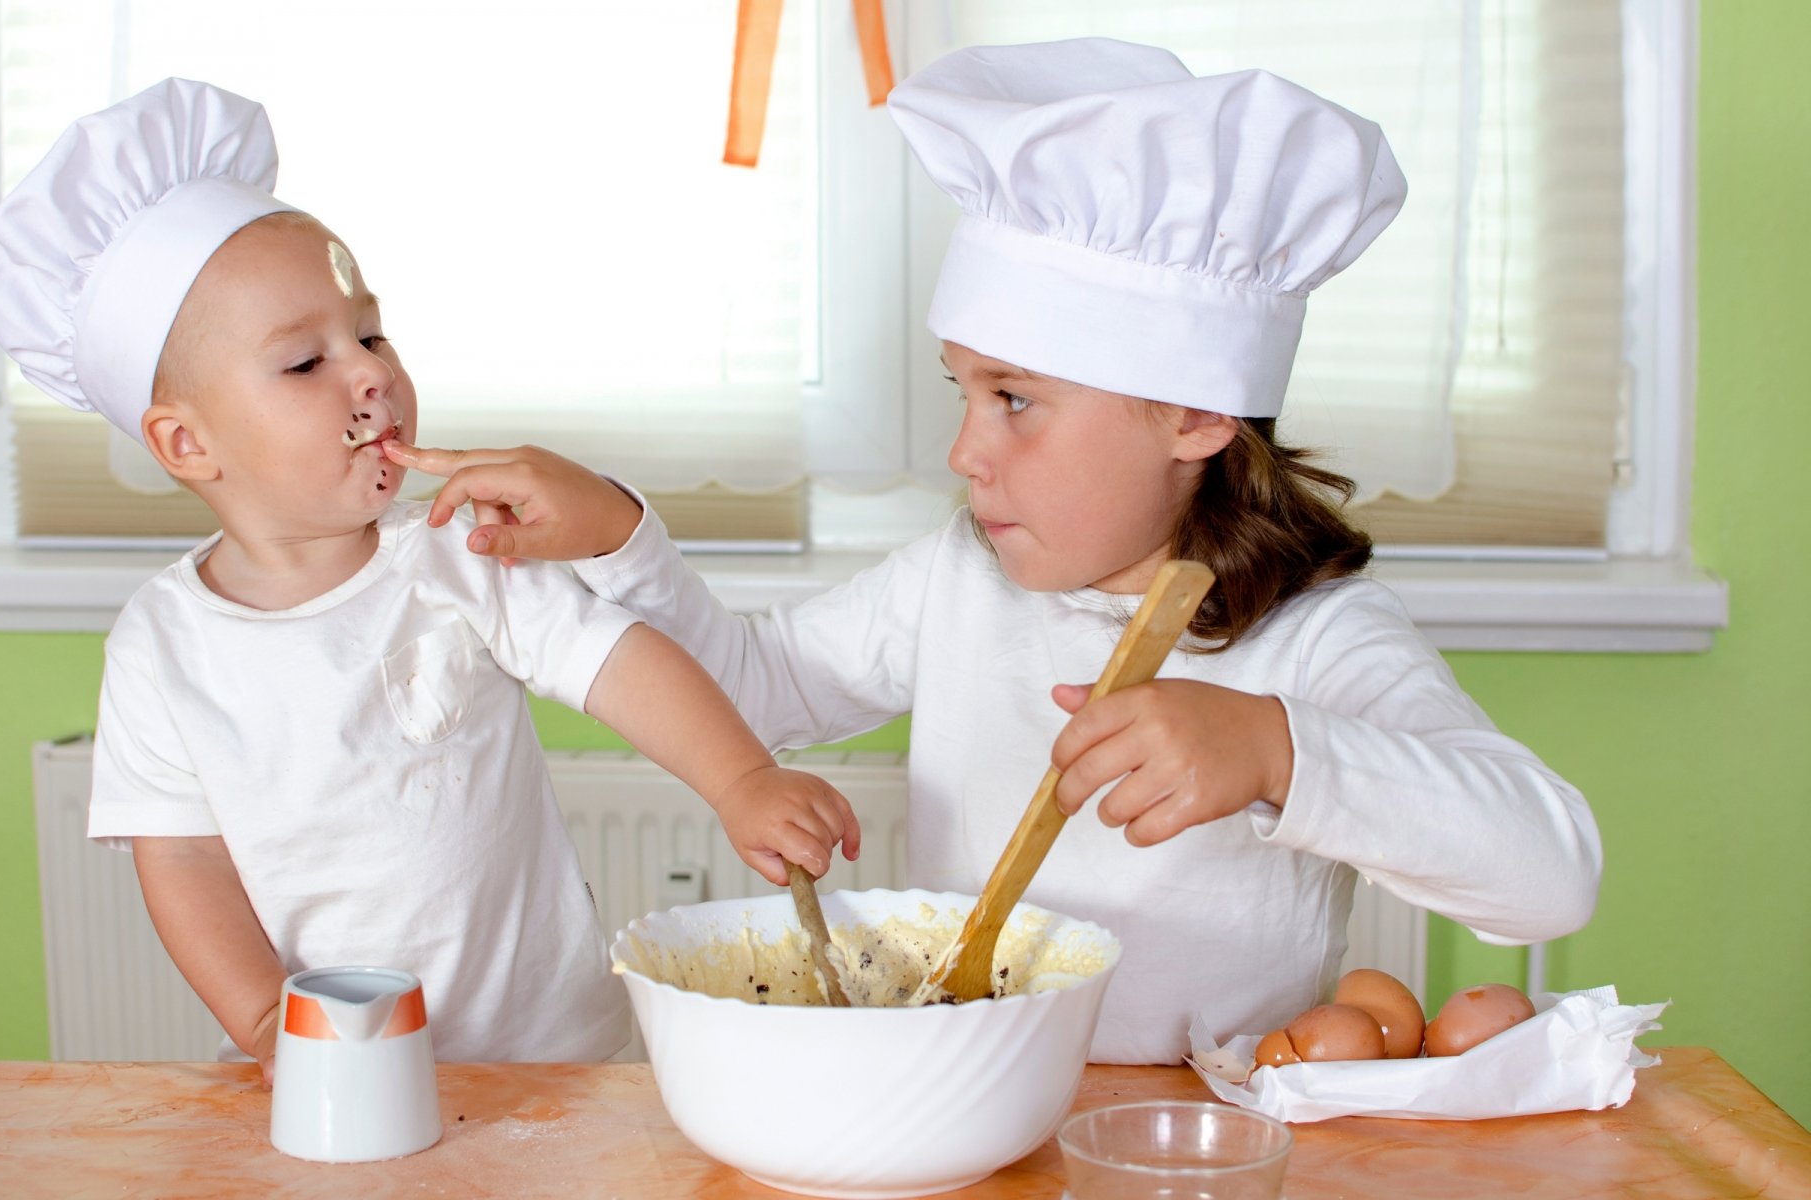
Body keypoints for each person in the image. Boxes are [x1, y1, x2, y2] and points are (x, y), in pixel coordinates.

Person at [383, 39, 1603, 1064]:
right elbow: (755, 694)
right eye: (963, 391)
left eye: (1015, 399)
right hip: (968, 1097)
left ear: (1191, 416)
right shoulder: (957, 576)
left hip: (1196, 1145)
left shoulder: (1317, 636)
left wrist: (1278, 750)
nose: (967, 453)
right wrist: (617, 535)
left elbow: (1552, 876)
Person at [0, 78, 858, 1078]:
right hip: (339, 1076)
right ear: (187, 442)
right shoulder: (161, 646)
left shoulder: (451, 552)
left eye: (371, 333)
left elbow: (619, 658)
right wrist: (268, 1024)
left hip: (551, 1065)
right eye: (305, 363)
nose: (369, 373)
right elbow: (181, 859)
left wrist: (740, 778)